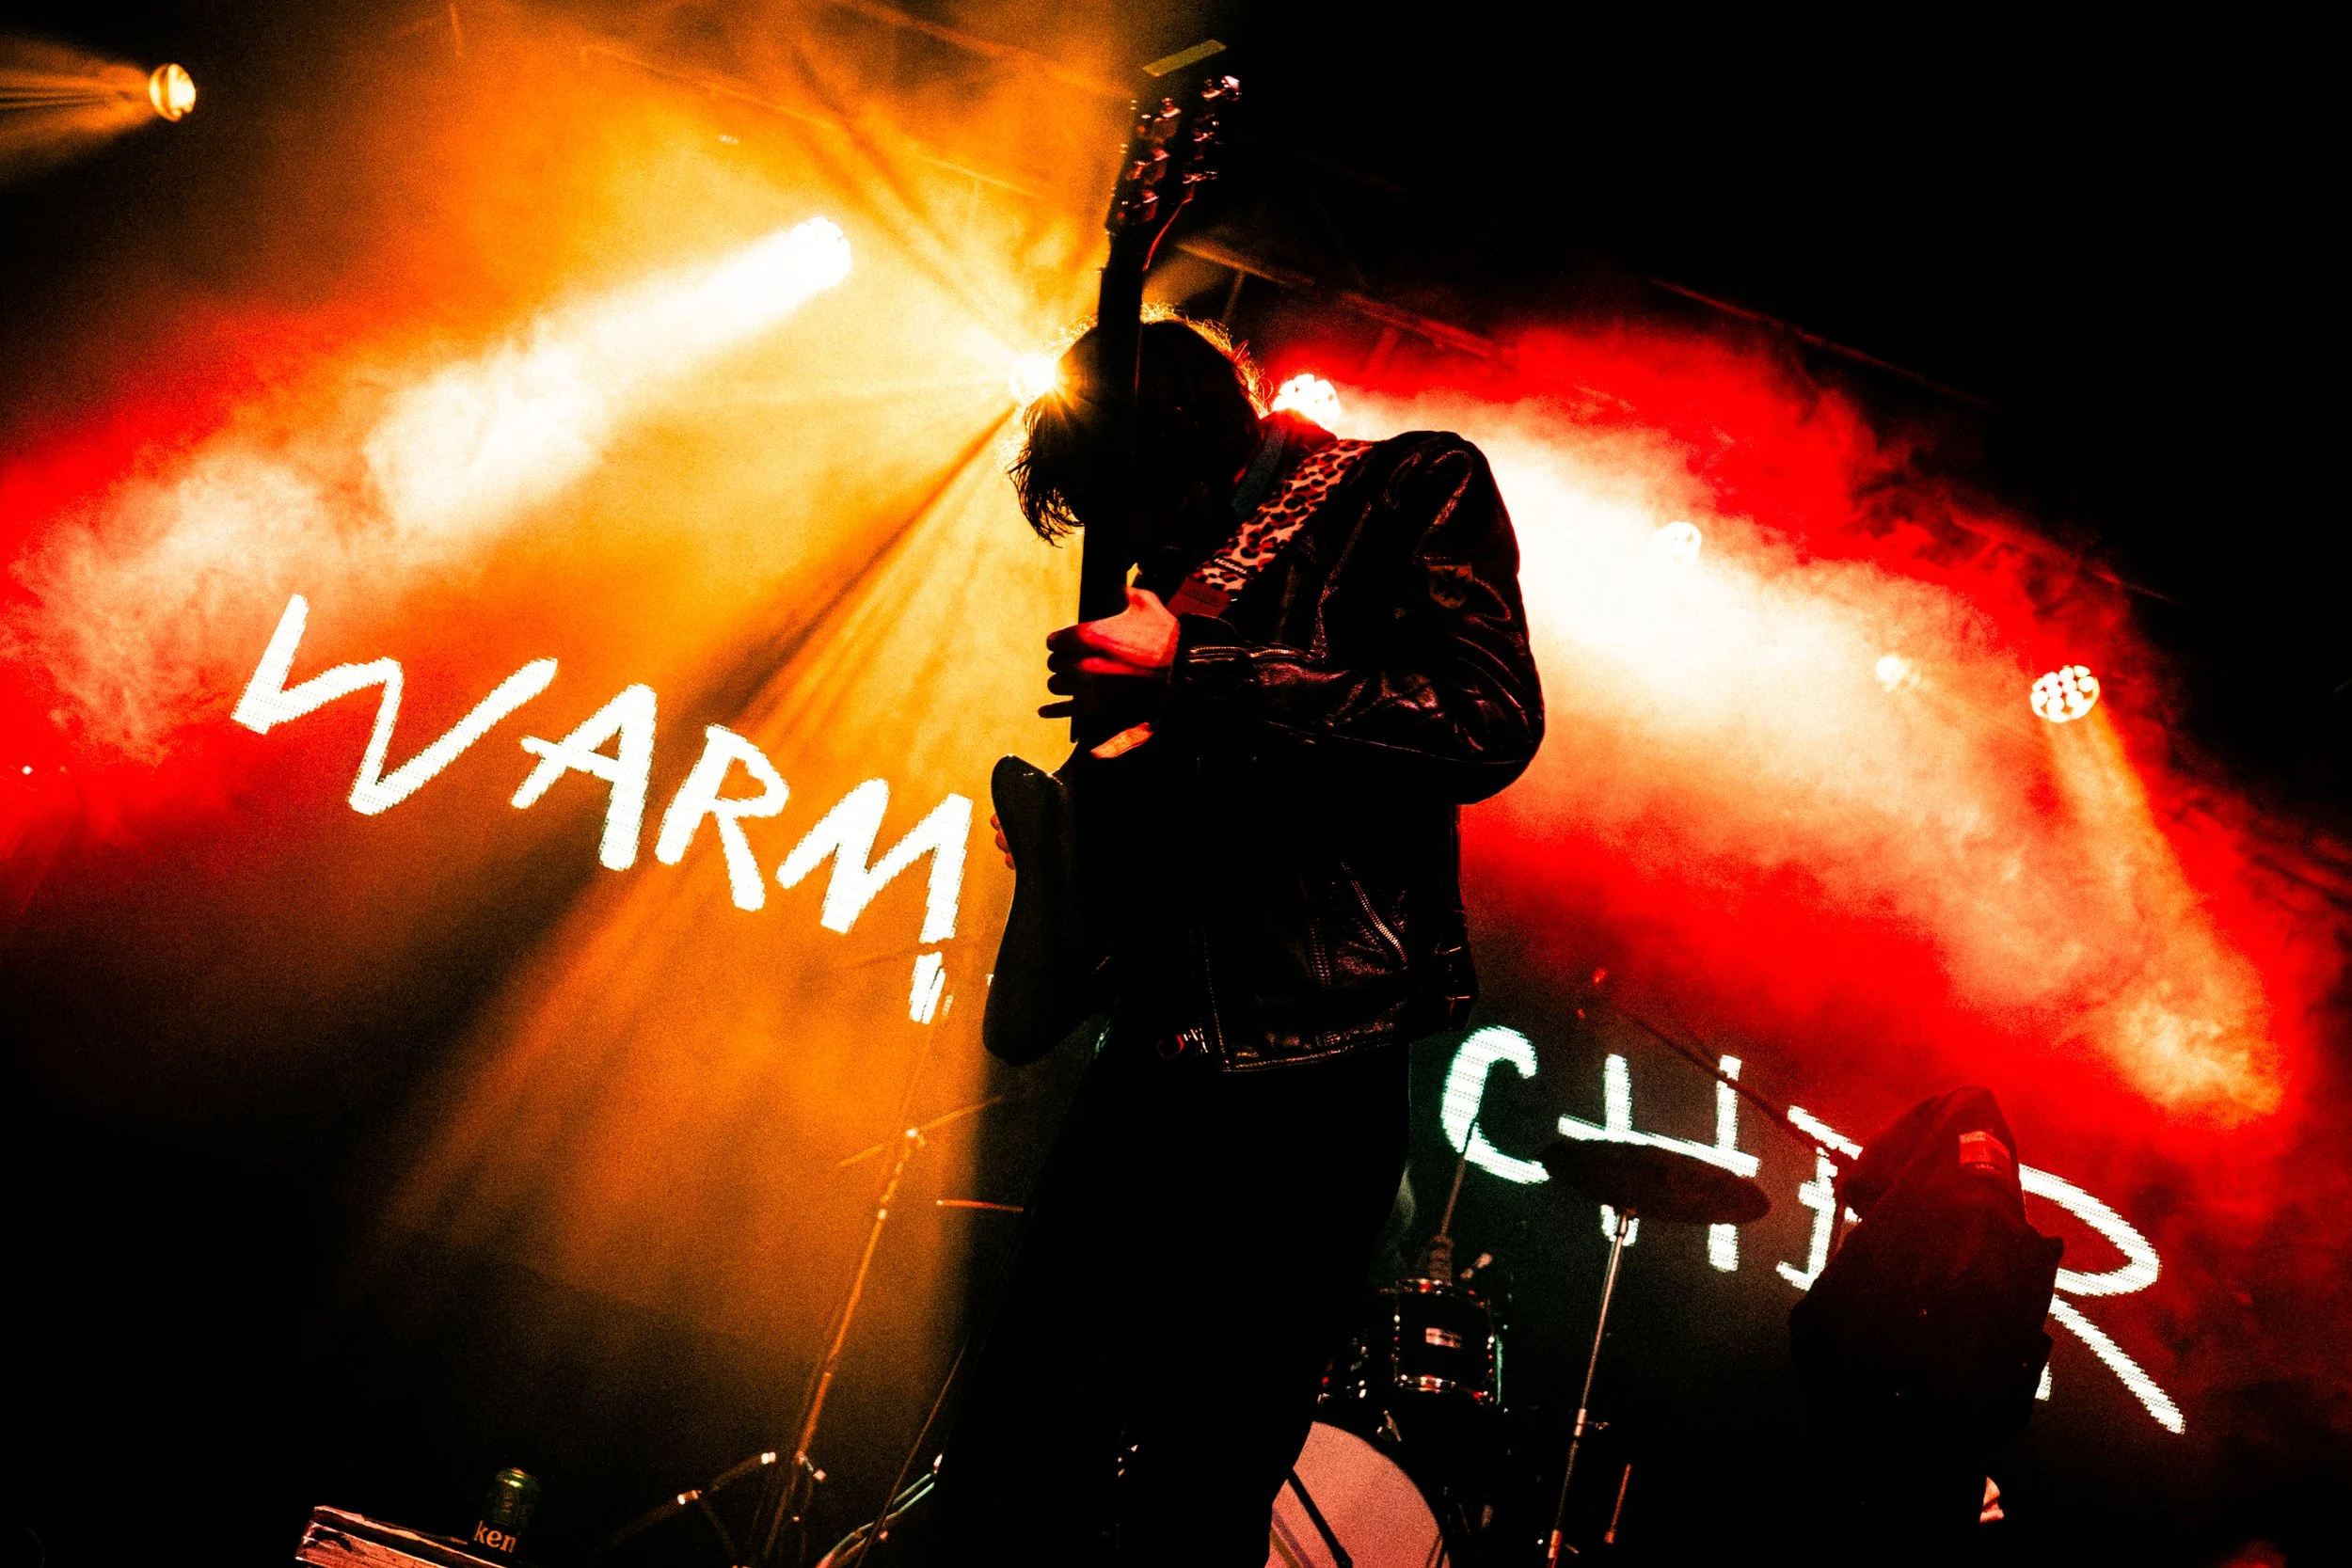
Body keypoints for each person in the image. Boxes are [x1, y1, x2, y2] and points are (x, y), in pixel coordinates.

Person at [923, 317, 1543, 1565]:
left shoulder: (1410, 483)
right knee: (999, 1471)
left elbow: (1489, 719)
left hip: (1312, 1077)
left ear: (1184, 444)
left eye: (1133, 507)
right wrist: (1081, 837)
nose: (1134, 547)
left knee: (1197, 1495)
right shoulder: (1189, 573)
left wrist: (1199, 674)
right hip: (1152, 1063)